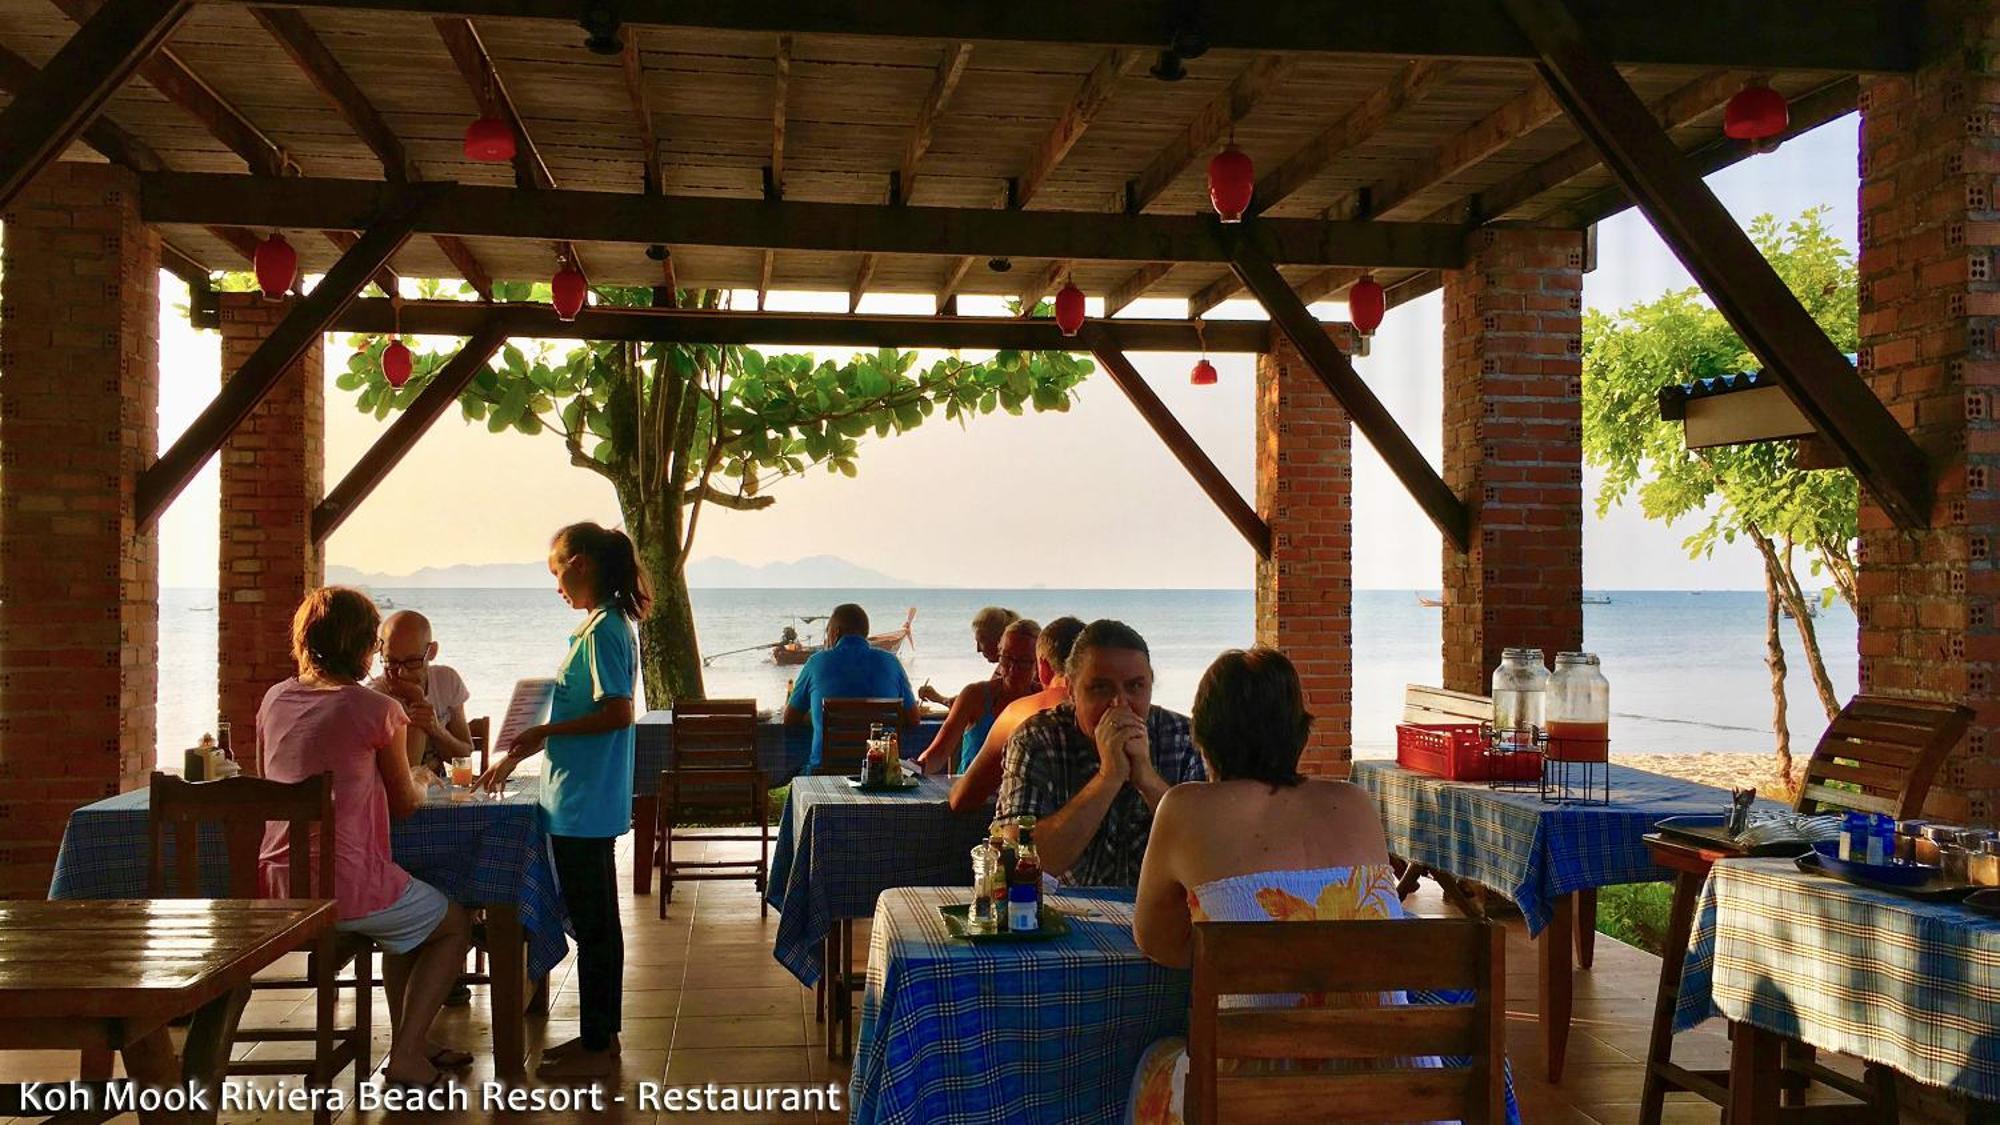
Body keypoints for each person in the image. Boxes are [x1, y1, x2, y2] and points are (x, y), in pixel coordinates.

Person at [1125, 647, 1405, 1124]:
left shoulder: (1185, 807)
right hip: (1396, 1095)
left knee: (1155, 1059)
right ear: (1299, 732)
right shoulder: (1356, 804)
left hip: (1252, 1101)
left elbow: (1159, 944)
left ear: (1204, 735)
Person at [258, 587, 472, 1089]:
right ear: (364, 647)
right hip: (346, 887)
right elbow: (403, 804)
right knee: (453, 924)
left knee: (409, 918)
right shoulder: (374, 709)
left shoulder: (274, 699)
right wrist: (415, 778)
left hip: (276, 888)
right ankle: (404, 1057)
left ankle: (411, 1045)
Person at [477, 523, 647, 1079]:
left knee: (597, 926)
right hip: (582, 798)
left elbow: (618, 711)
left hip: (583, 803)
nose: (556, 588)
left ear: (579, 563)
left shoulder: (603, 632)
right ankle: (600, 1034)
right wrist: (529, 742)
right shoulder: (602, 627)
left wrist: (544, 734)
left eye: (556, 572)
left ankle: (598, 1040)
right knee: (600, 922)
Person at [992, 619, 1204, 886]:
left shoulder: (1183, 738)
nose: (1119, 703)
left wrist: (1147, 779)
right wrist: (1108, 778)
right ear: (1070, 689)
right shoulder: (1037, 739)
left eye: (1136, 686)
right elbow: (1017, 861)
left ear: (1151, 683)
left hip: (1164, 912)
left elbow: (1209, 853)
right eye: (1100, 688)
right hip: (1066, 912)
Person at [947, 615, 1084, 814]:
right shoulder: (1124, 715)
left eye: (1026, 662)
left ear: (1042, 668)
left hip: (1034, 838)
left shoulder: (1020, 712)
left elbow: (962, 799)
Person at [783, 603, 920, 772]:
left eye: (827, 632)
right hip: (879, 773)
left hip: (825, 773)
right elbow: (914, 719)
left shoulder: (816, 662)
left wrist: (819, 716)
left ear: (836, 632)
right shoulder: (891, 662)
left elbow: (789, 719)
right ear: (865, 633)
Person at [913, 618, 1041, 776]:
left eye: (1023, 661)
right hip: (971, 796)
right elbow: (938, 752)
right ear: (999, 654)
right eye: (1007, 658)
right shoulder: (975, 696)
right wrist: (913, 771)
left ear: (1039, 663)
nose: (1013, 669)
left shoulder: (1047, 703)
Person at [369, 610, 475, 778]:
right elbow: (403, 778)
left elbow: (464, 759)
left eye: (412, 662)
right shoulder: (376, 697)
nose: (402, 673)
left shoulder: (446, 680)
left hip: (438, 791)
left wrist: (436, 729)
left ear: (432, 652)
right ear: (381, 652)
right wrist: (416, 698)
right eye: (392, 662)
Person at [919, 605, 1018, 707]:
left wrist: (940, 699)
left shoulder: (1012, 678)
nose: (978, 649)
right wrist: (939, 698)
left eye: (981, 641)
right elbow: (980, 703)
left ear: (999, 640)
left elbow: (979, 706)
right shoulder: (1007, 671)